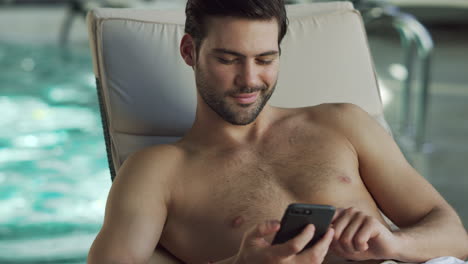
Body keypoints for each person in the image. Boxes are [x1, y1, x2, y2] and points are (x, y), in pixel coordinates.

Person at [87, 0, 468, 263]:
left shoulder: (341, 123)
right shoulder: (156, 171)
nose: (250, 80)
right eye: (228, 59)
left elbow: (453, 233)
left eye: (265, 59)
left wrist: (394, 242)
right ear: (189, 52)